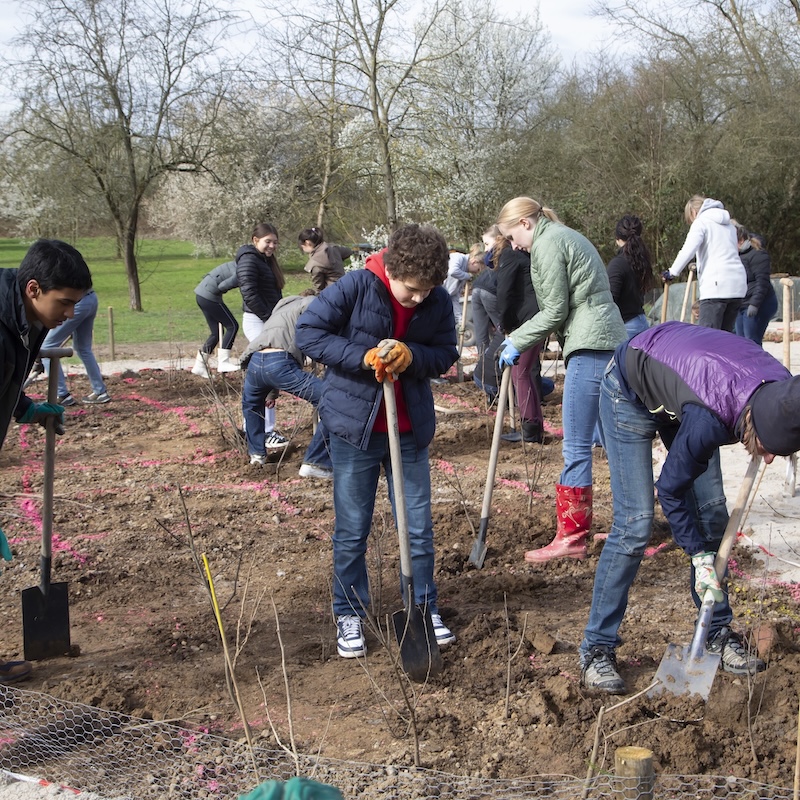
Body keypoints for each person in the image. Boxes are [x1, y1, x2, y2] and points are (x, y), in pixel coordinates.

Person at [579, 321, 798, 692]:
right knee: (635, 525)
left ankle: (715, 631)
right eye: (768, 448)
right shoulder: (709, 420)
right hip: (629, 386)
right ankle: (596, 648)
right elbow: (670, 489)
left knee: (712, 513)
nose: (770, 459)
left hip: (686, 383)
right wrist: (698, 557)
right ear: (752, 424)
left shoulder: (782, 390)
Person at [296, 223, 459, 658]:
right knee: (352, 529)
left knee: (419, 529)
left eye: (428, 290)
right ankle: (349, 612)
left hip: (408, 431)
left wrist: (413, 356)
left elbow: (446, 352)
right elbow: (309, 333)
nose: (421, 297)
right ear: (391, 270)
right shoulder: (356, 286)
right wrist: (363, 357)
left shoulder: (437, 299)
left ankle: (424, 607)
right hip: (356, 429)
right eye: (412, 289)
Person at [496, 197, 626, 562]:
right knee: (615, 443)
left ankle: (572, 537)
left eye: (512, 237)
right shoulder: (563, 235)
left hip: (591, 346)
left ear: (524, 222)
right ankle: (631, 526)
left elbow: (555, 309)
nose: (514, 246)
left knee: (577, 446)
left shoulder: (548, 243)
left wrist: (516, 339)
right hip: (609, 341)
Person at [0, 238, 92, 684]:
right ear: (34, 288)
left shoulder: (28, 319)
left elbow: (9, 378)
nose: (71, 314)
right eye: (66, 303)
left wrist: (24, 409)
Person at [240, 290, 331, 477]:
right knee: (332, 401)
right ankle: (316, 462)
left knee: (252, 407)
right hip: (280, 362)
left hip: (255, 362)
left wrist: (271, 393)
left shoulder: (280, 308)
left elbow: (273, 341)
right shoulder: (309, 302)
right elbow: (312, 308)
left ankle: (257, 456)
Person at [236, 223, 288, 449]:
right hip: (259, 321)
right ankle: (264, 431)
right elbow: (249, 293)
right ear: (255, 240)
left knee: (265, 372)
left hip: (267, 319)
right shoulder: (249, 260)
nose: (272, 245)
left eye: (275, 242)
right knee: (267, 371)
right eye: (268, 241)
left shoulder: (264, 260)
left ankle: (255, 427)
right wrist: (269, 318)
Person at [492, 226, 546, 444]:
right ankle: (533, 425)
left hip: (527, 321)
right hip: (535, 317)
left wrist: (504, 324)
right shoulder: (524, 255)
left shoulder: (511, 255)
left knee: (520, 373)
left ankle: (530, 427)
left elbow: (504, 292)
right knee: (525, 372)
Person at [662, 195, 746, 332]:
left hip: (716, 287)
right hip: (737, 286)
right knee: (726, 338)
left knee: (707, 339)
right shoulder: (730, 225)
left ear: (693, 212)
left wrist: (672, 272)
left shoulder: (701, 222)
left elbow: (688, 250)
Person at [40, 289, 110, 405]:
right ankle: (100, 391)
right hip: (90, 298)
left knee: (47, 347)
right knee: (83, 348)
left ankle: (62, 395)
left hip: (76, 302)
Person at [607, 215, 655, 340]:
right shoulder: (642, 260)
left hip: (626, 326)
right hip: (641, 322)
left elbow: (610, 300)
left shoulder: (617, 264)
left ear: (617, 238)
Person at [191, 260, 241, 377]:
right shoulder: (242, 269)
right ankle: (223, 362)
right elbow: (223, 285)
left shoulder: (238, 263)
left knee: (216, 333)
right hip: (209, 296)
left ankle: (199, 365)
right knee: (232, 326)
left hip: (201, 295)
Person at [732, 222, 778, 347]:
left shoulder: (758, 254)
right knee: (740, 341)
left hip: (759, 303)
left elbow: (762, 282)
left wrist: (755, 304)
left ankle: (757, 366)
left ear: (740, 240)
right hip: (742, 302)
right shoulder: (735, 256)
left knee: (751, 341)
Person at [470, 230, 501, 354]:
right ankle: (494, 365)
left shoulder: (493, 256)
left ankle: (482, 367)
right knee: (503, 331)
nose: (486, 249)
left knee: (481, 332)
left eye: (487, 244)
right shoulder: (506, 252)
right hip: (491, 290)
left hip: (477, 287)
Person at [297, 227, 353, 293]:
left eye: (302, 246)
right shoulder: (333, 248)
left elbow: (318, 288)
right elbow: (348, 252)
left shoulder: (315, 263)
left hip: (332, 294)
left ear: (307, 243)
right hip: (346, 288)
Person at [443, 248, 481, 323]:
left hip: (443, 297)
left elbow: (454, 297)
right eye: (478, 270)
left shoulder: (464, 273)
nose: (477, 273)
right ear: (474, 262)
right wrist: (467, 276)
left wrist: (460, 320)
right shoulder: (458, 257)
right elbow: (453, 271)